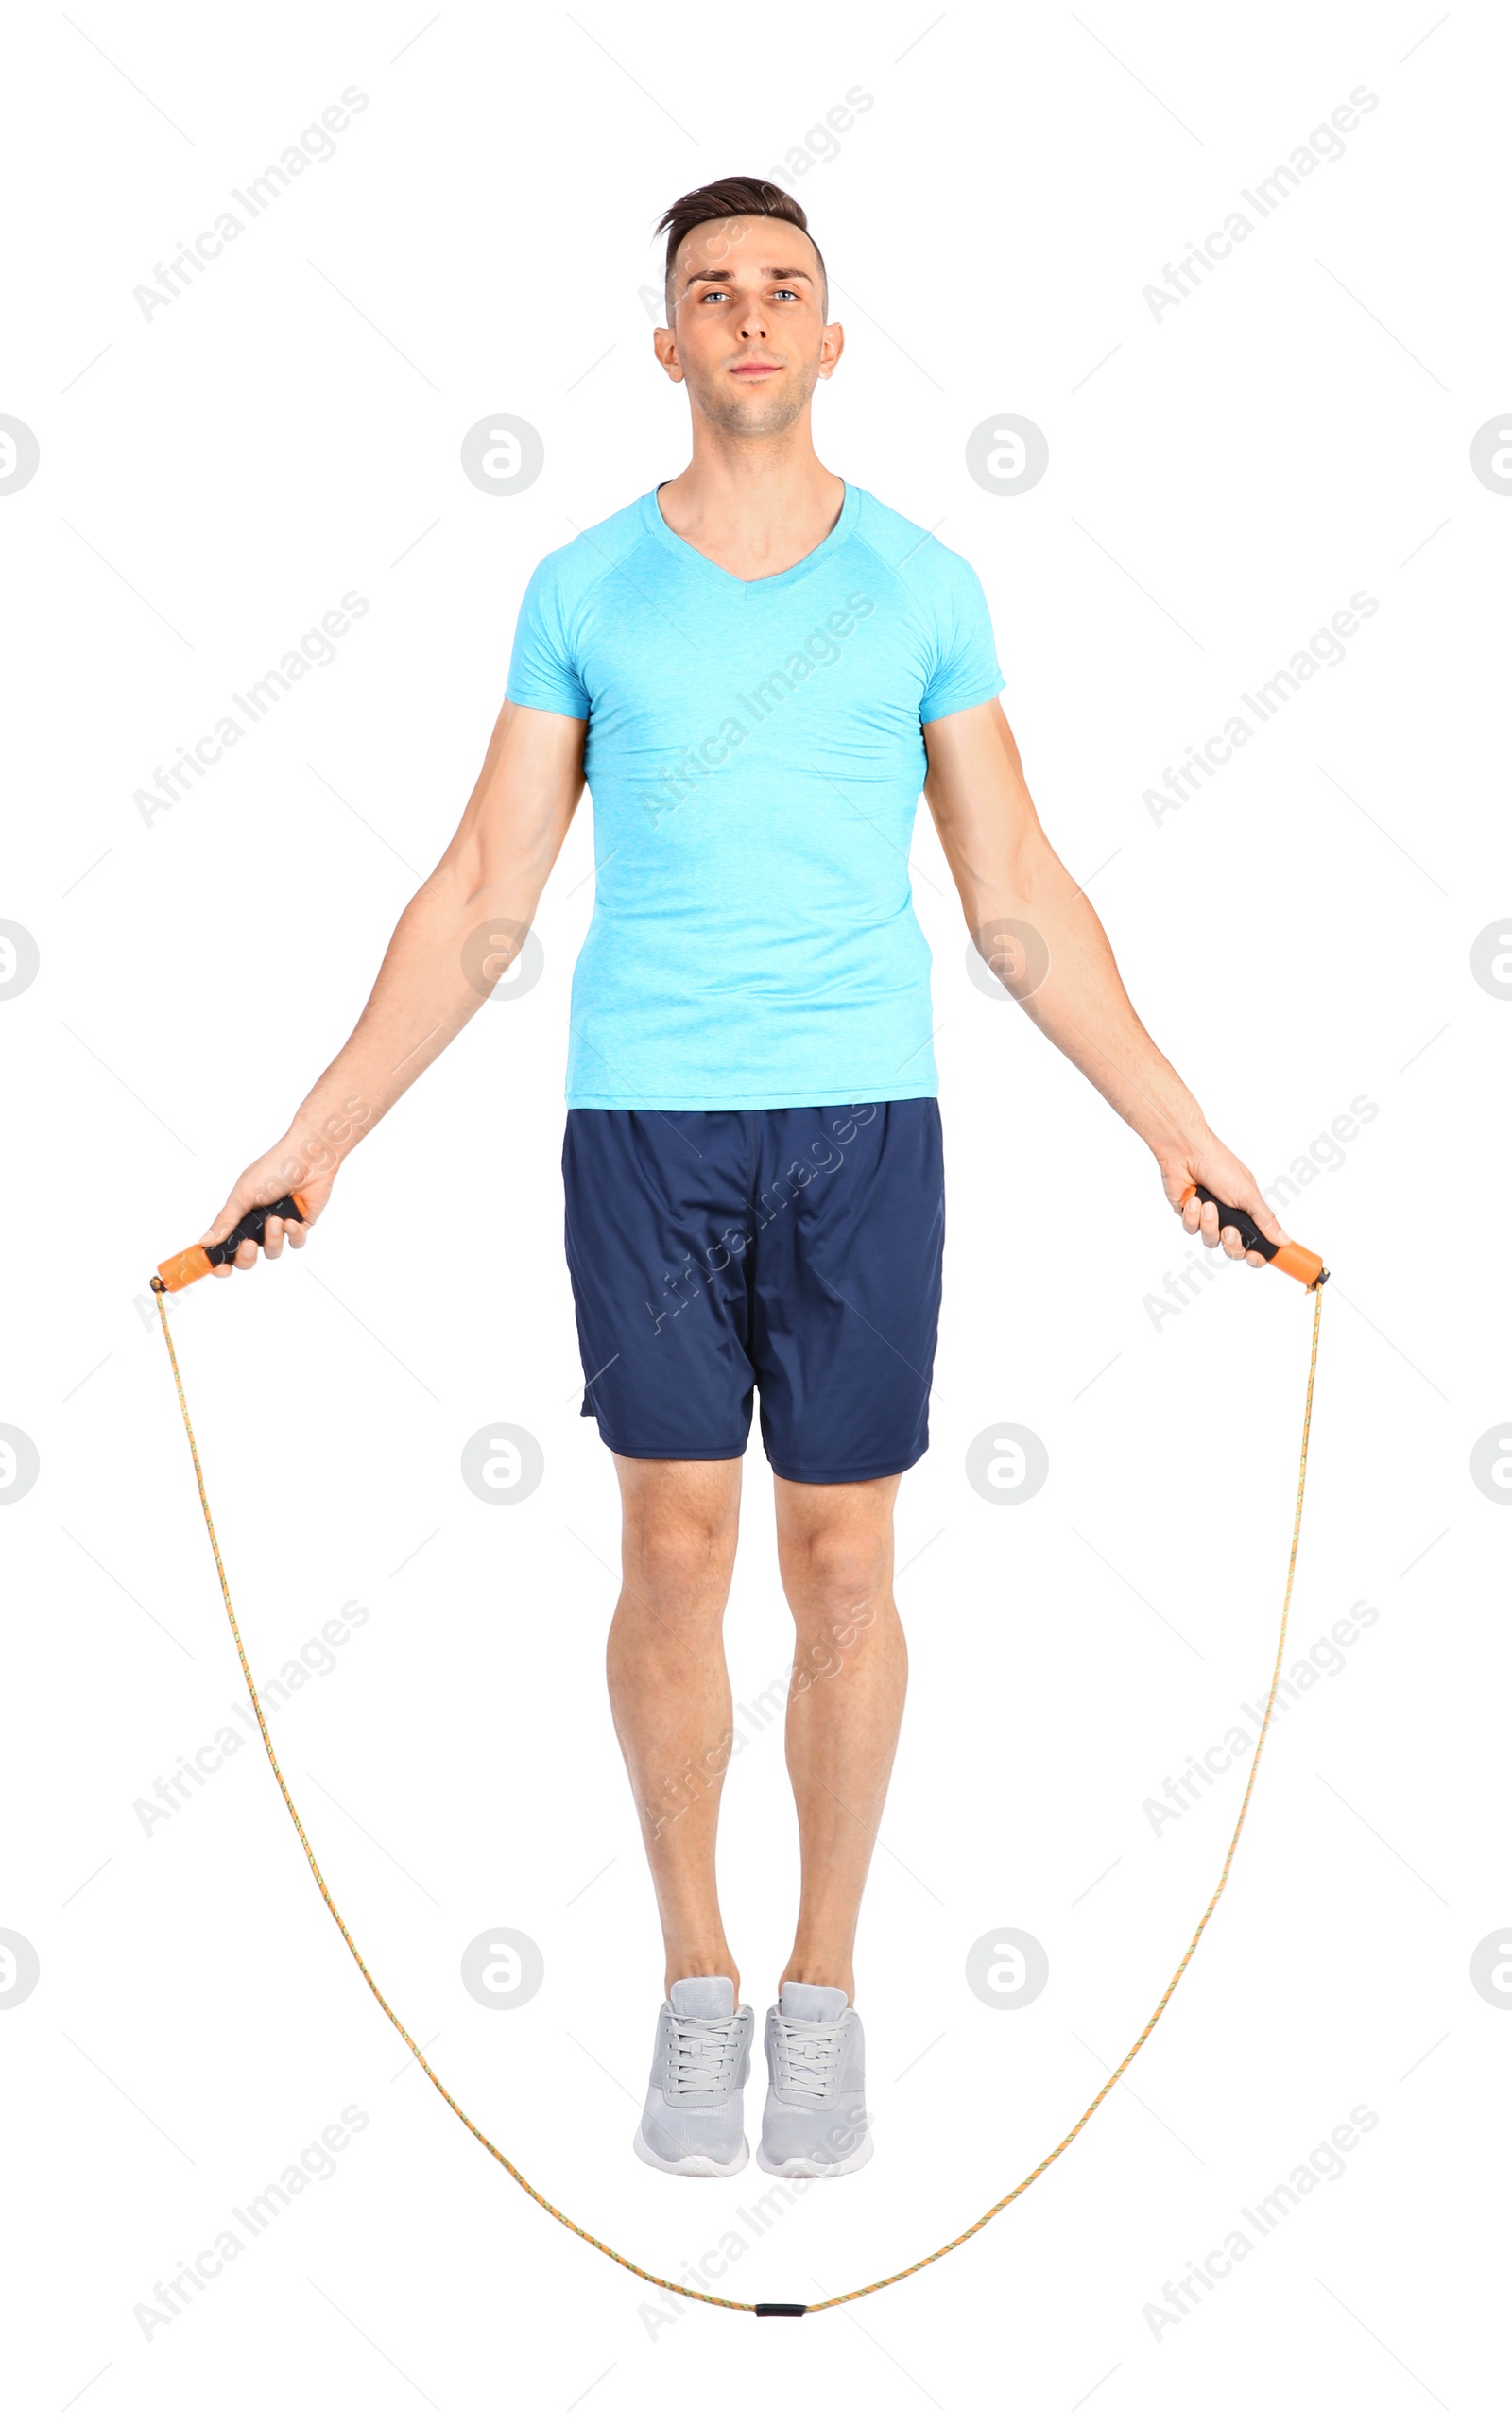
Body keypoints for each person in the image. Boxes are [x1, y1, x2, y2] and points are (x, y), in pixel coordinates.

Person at [197, 176, 1292, 2181]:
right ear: (666, 344)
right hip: (646, 1125)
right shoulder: (584, 589)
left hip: (863, 1122)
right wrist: (315, 1134)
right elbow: (477, 897)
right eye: (714, 293)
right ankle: (695, 1982)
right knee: (678, 1551)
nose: (752, 318)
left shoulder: (925, 586)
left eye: (784, 287)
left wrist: (1173, 1121)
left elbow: (1018, 898)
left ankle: (825, 1987)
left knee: (846, 1565)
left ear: (833, 330)